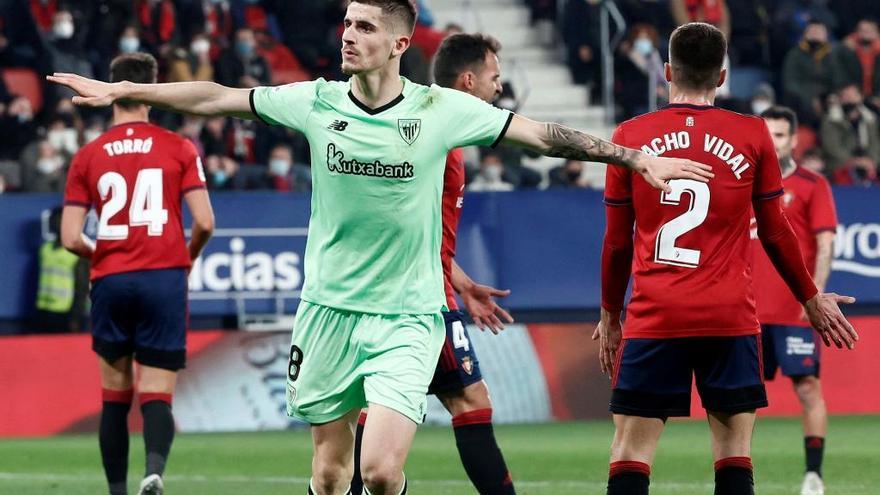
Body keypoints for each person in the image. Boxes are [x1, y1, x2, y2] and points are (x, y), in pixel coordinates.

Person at [49, 2, 713, 493]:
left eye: (364, 26)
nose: (348, 34)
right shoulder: (315, 101)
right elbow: (219, 97)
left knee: (382, 468)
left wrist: (632, 157)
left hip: (409, 316)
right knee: (331, 472)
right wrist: (127, 90)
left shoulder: (439, 110)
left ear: (399, 40)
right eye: (346, 23)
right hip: (328, 311)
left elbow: (543, 135)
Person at [595, 22, 858, 495]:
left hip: (656, 317)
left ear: (667, 71)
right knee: (734, 455)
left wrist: (610, 314)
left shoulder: (630, 136)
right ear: (722, 76)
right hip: (730, 318)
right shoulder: (753, 134)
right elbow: (777, 232)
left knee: (630, 454)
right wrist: (812, 296)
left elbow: (616, 241)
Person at [352, 32, 518, 495]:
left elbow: (421, 230)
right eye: (494, 78)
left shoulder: (437, 128)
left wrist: (461, 280)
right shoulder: (432, 132)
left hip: (425, 286)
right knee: (468, 401)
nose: (498, 87)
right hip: (420, 296)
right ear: (468, 81)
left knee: (386, 404)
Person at [59, 52, 214, 495]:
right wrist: (185, 259)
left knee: (114, 394)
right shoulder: (179, 147)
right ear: (152, 86)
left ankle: (116, 491)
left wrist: (104, 257)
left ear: (109, 89)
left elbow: (71, 238)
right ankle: (154, 472)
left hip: (110, 278)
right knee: (157, 391)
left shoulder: (88, 155)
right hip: (163, 275)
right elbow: (205, 222)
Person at [752, 106, 838, 495]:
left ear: (795, 139)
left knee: (807, 389)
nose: (773, 142)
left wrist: (814, 297)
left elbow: (825, 243)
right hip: (745, 311)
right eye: (767, 133)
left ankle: (813, 476)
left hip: (793, 311)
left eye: (781, 135)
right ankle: (737, 477)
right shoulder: (742, 183)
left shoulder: (811, 184)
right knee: (739, 398)